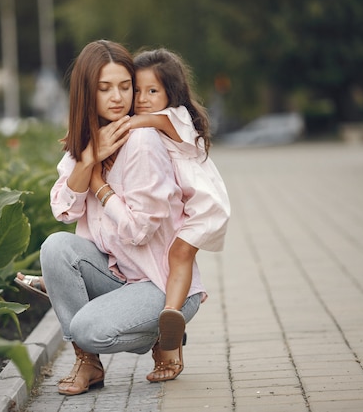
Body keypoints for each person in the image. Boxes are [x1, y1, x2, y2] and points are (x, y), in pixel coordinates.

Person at [34, 39, 206, 396]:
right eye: (105, 88)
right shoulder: (89, 139)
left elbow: (140, 230)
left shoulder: (143, 140)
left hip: (163, 286)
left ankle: (163, 334)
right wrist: (87, 161)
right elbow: (63, 210)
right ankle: (89, 363)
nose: (118, 97)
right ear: (87, 93)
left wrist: (99, 187)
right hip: (119, 275)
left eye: (125, 86)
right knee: (55, 248)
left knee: (88, 328)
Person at [124, 47, 231, 381]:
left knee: (179, 254)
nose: (141, 99)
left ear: (172, 93)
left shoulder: (172, 117)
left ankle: (171, 313)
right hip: (196, 206)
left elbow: (138, 121)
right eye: (137, 90)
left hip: (205, 206)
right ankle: (171, 325)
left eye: (152, 91)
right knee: (175, 257)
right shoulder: (164, 119)